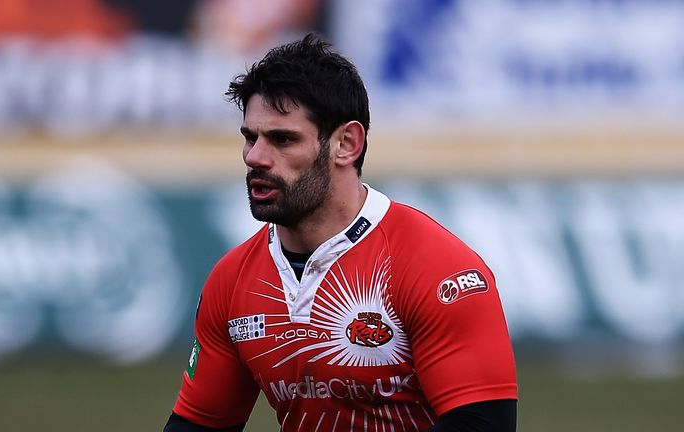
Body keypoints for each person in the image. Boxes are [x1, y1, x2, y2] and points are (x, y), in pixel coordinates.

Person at [164, 33, 518, 432]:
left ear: (346, 144)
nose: (255, 157)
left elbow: (484, 426)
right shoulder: (230, 283)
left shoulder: (436, 268)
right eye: (250, 137)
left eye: (282, 139)